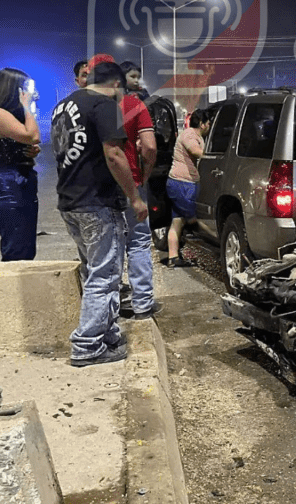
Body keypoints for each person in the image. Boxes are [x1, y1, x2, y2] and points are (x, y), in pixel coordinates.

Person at [51, 61, 148, 367]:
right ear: (116, 84)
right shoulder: (104, 105)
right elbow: (114, 154)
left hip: (71, 201)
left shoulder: (64, 105)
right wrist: (135, 198)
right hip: (96, 202)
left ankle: (107, 332)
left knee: (93, 270)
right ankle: (87, 344)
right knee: (105, 275)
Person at [91, 56, 163, 319]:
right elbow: (150, 147)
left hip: (98, 187)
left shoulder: (89, 104)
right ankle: (142, 303)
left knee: (107, 247)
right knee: (139, 242)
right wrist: (144, 175)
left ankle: (110, 306)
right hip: (131, 181)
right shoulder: (134, 104)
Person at [0, 68, 42, 261]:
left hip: (18, 182)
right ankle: (10, 281)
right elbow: (32, 135)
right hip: (9, 186)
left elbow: (27, 140)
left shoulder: (3, 114)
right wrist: (27, 106)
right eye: (24, 88)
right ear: (13, 89)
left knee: (24, 248)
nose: (28, 93)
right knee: (16, 251)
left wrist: (28, 151)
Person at [165, 108, 209, 268]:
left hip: (178, 183)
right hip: (183, 184)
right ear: (202, 124)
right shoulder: (190, 135)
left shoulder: (191, 134)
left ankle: (173, 257)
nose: (209, 126)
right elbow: (195, 151)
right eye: (208, 123)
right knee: (193, 219)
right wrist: (212, 155)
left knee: (177, 221)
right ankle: (207, 245)